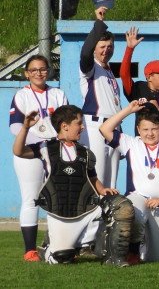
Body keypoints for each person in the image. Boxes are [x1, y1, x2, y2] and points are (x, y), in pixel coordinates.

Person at [12, 105, 122, 265]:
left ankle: (112, 254)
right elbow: (18, 151)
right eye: (79, 123)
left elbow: (92, 178)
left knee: (120, 208)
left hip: (86, 211)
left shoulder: (85, 152)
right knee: (62, 258)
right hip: (60, 213)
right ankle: (49, 248)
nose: (83, 127)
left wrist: (103, 189)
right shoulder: (46, 148)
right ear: (65, 126)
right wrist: (26, 128)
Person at [100, 100, 159, 263]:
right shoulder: (131, 143)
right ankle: (131, 251)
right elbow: (104, 128)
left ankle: (142, 249)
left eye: (154, 129)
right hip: (138, 197)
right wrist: (129, 110)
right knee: (131, 211)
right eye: (145, 129)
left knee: (157, 257)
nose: (150, 133)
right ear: (138, 129)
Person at [9, 55, 69, 261]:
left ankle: (57, 245)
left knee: (57, 198)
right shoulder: (21, 95)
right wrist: (40, 137)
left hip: (54, 150)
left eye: (42, 69)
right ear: (27, 73)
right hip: (30, 151)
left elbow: (66, 122)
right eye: (33, 70)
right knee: (31, 199)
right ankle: (30, 250)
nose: (38, 73)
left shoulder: (58, 94)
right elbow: (15, 126)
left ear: (49, 71)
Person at [78, 7, 123, 206]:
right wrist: (98, 25)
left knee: (112, 182)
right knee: (96, 181)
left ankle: (108, 231)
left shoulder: (109, 70)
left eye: (109, 46)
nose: (106, 50)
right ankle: (92, 232)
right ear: (95, 47)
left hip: (113, 127)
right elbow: (85, 54)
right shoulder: (90, 67)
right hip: (95, 127)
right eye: (102, 46)